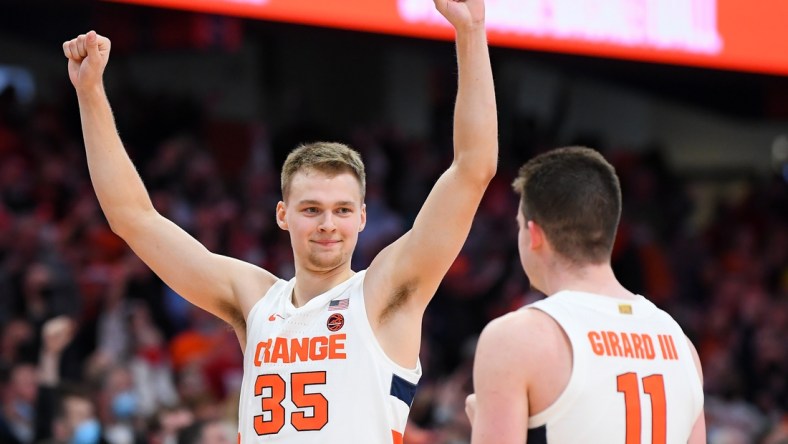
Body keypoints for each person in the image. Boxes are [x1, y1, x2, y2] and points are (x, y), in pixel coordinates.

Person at [62, 0, 497, 441]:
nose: (328, 223)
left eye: (343, 210)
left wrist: (471, 31)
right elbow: (133, 218)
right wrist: (91, 93)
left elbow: (472, 168)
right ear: (282, 215)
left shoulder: (383, 293)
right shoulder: (254, 299)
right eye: (312, 209)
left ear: (362, 218)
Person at [465, 147, 705, 443]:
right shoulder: (682, 346)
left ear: (534, 235)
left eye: (519, 227)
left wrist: (484, 422)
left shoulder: (516, 338)